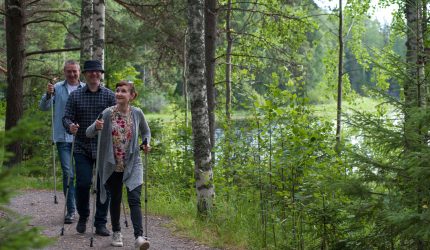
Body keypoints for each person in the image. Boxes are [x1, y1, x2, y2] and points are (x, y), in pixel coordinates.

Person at [86, 80, 151, 249]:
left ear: (132, 96)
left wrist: (146, 143)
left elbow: (146, 132)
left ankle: (139, 237)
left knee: (134, 199)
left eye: (123, 91)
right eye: (117, 90)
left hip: (132, 162)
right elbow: (88, 132)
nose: (119, 93)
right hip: (112, 163)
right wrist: (96, 126)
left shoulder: (137, 113)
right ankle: (116, 231)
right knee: (115, 198)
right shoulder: (107, 113)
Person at [62, 60, 116, 236]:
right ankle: (84, 216)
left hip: (104, 148)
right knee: (83, 183)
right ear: (85, 74)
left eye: (97, 72)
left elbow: (118, 118)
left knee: (103, 185)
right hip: (82, 147)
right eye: (90, 72)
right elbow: (66, 117)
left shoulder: (109, 95)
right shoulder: (76, 96)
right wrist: (70, 126)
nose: (94, 74)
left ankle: (100, 222)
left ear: (101, 74)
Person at [39, 60, 85, 224]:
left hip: (82, 139)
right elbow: (44, 107)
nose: (72, 74)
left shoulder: (85, 89)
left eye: (75, 71)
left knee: (81, 176)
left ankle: (82, 209)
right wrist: (48, 94)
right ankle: (71, 210)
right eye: (69, 71)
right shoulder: (57, 88)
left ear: (79, 72)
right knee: (68, 173)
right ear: (64, 72)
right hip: (62, 138)